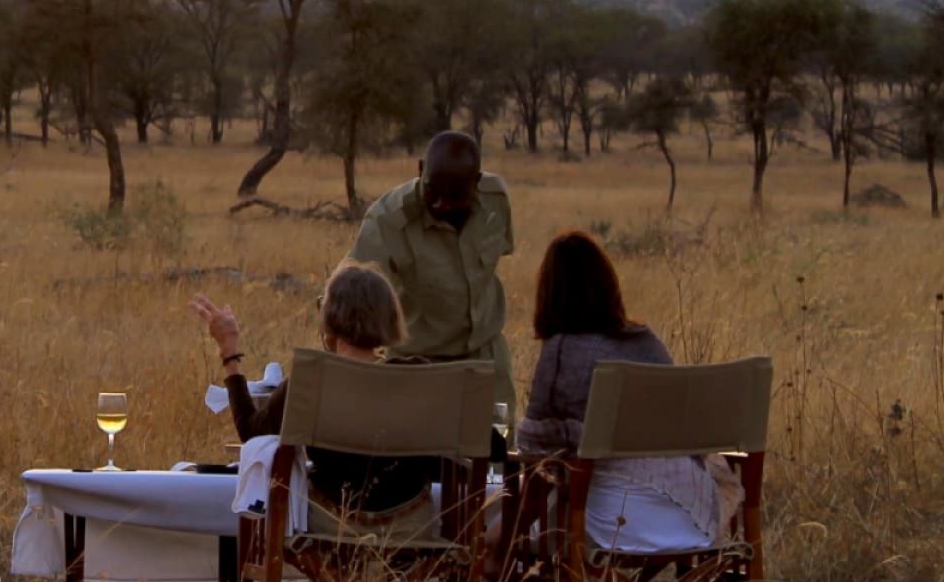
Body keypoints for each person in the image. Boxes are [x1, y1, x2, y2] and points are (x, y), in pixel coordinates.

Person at [518, 230, 731, 550]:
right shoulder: (648, 343)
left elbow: (536, 456)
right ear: (609, 285)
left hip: (612, 521)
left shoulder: (562, 351)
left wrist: (506, 537)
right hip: (693, 518)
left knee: (510, 511)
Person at [190, 263, 437, 517]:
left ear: (330, 318)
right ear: (390, 316)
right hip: (412, 521)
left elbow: (252, 434)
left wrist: (230, 353)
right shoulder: (416, 378)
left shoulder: (312, 379)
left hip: (332, 519)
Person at [348, 130, 516, 409]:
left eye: (453, 197)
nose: (440, 204)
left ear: (475, 183)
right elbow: (353, 298)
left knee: (495, 449)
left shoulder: (495, 201)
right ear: (421, 169)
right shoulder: (388, 220)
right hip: (418, 366)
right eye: (432, 192)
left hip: (487, 359)